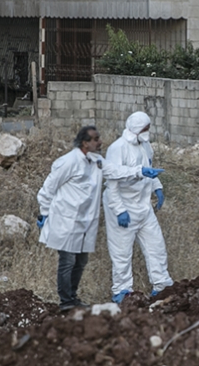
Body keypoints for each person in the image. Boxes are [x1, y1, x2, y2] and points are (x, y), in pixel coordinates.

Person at [37, 126, 163, 311]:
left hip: (84, 221)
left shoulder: (96, 161)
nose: (100, 142)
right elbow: (47, 189)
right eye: (95, 139)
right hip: (65, 219)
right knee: (68, 261)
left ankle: (73, 297)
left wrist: (140, 171)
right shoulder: (68, 162)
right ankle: (66, 302)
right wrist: (44, 213)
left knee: (80, 262)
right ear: (84, 143)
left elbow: (115, 171)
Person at [102, 112, 174, 303]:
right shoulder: (117, 148)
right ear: (136, 129)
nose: (148, 131)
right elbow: (112, 181)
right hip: (124, 207)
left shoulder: (145, 146)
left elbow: (149, 168)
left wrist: (157, 187)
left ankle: (161, 285)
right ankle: (122, 291)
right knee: (122, 252)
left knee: (156, 246)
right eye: (145, 128)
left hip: (143, 207)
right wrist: (119, 210)